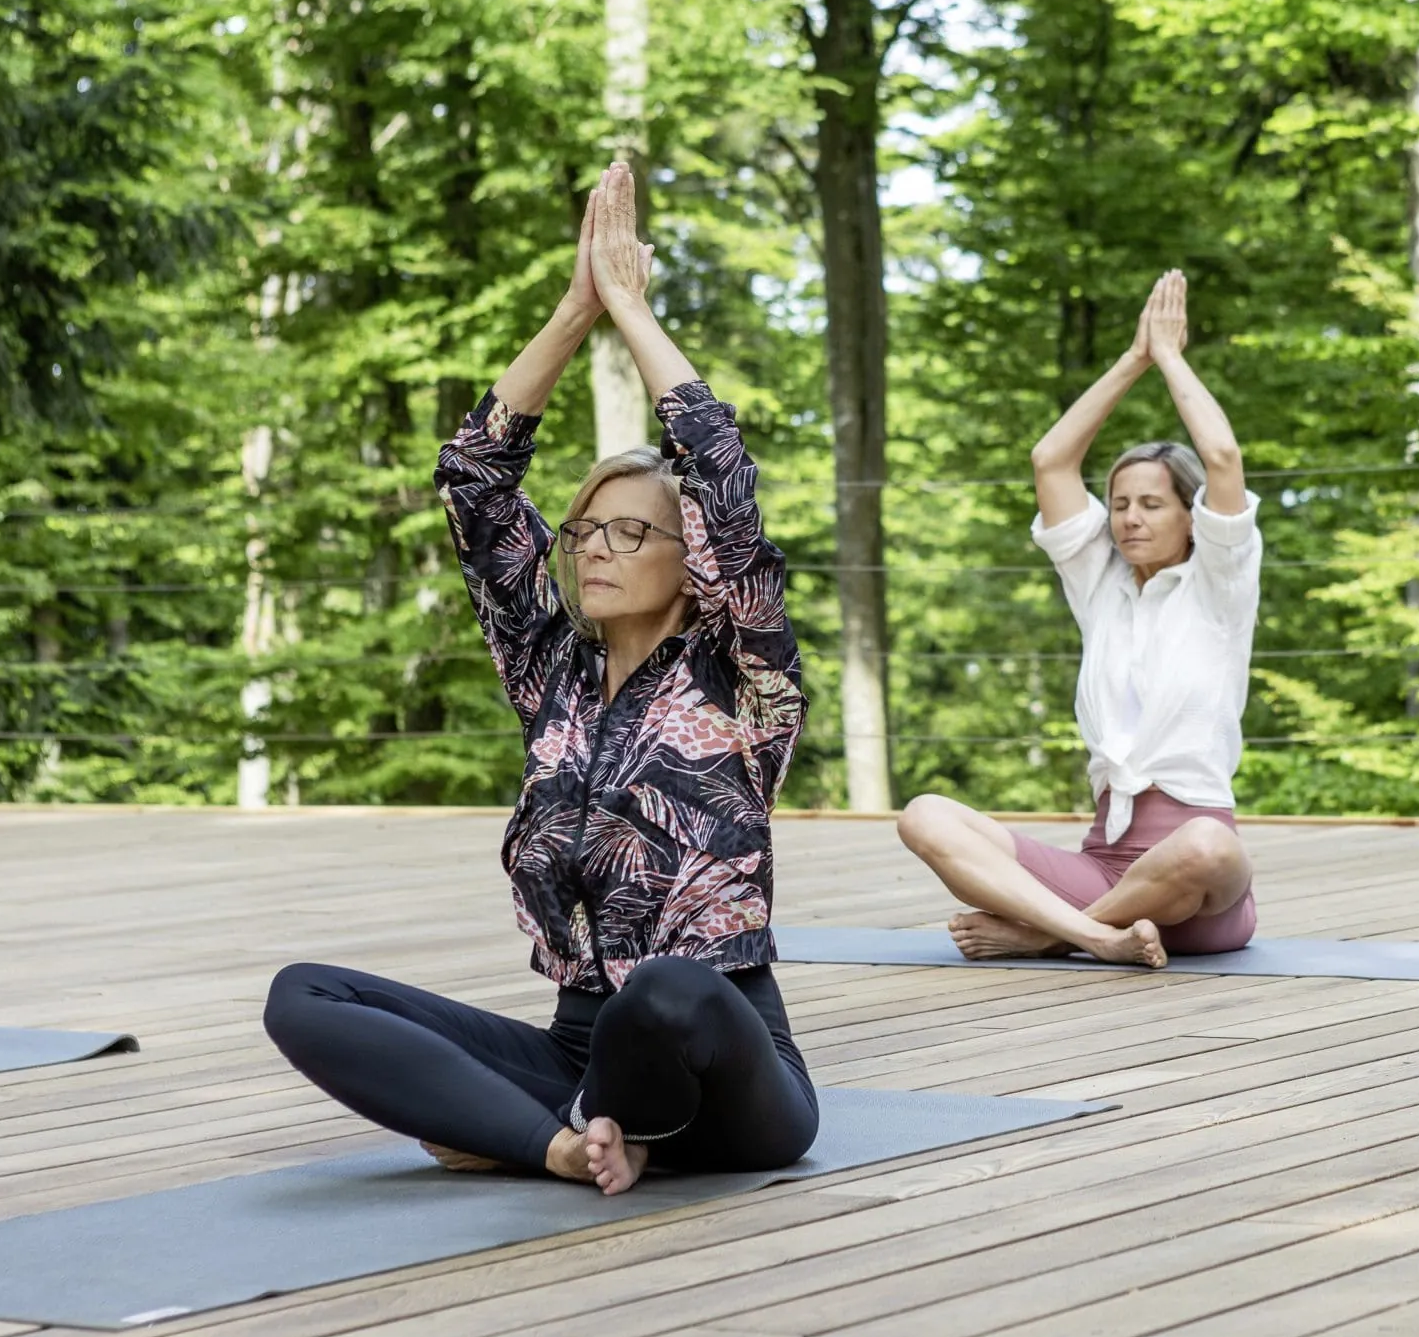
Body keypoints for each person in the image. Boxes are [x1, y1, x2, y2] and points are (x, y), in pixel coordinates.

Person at [262, 162, 815, 1194]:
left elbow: (725, 490)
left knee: (665, 991)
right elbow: (474, 481)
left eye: (628, 530)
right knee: (305, 994)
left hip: (724, 1059)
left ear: (688, 566)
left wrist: (633, 310)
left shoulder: (744, 672)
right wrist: (573, 309)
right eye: (584, 528)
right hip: (575, 1045)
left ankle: (555, 1127)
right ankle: (569, 1143)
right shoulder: (547, 668)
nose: (593, 548)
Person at [896, 270, 1261, 970]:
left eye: (1151, 504)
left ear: (1193, 515)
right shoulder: (1101, 585)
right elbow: (1051, 459)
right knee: (924, 815)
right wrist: (1132, 358)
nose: (1129, 518)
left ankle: (1049, 934)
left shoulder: (1221, 584)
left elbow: (1221, 456)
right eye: (1120, 502)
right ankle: (1099, 935)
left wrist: (1171, 356)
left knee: (1210, 846)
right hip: (1102, 871)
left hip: (1195, 886)